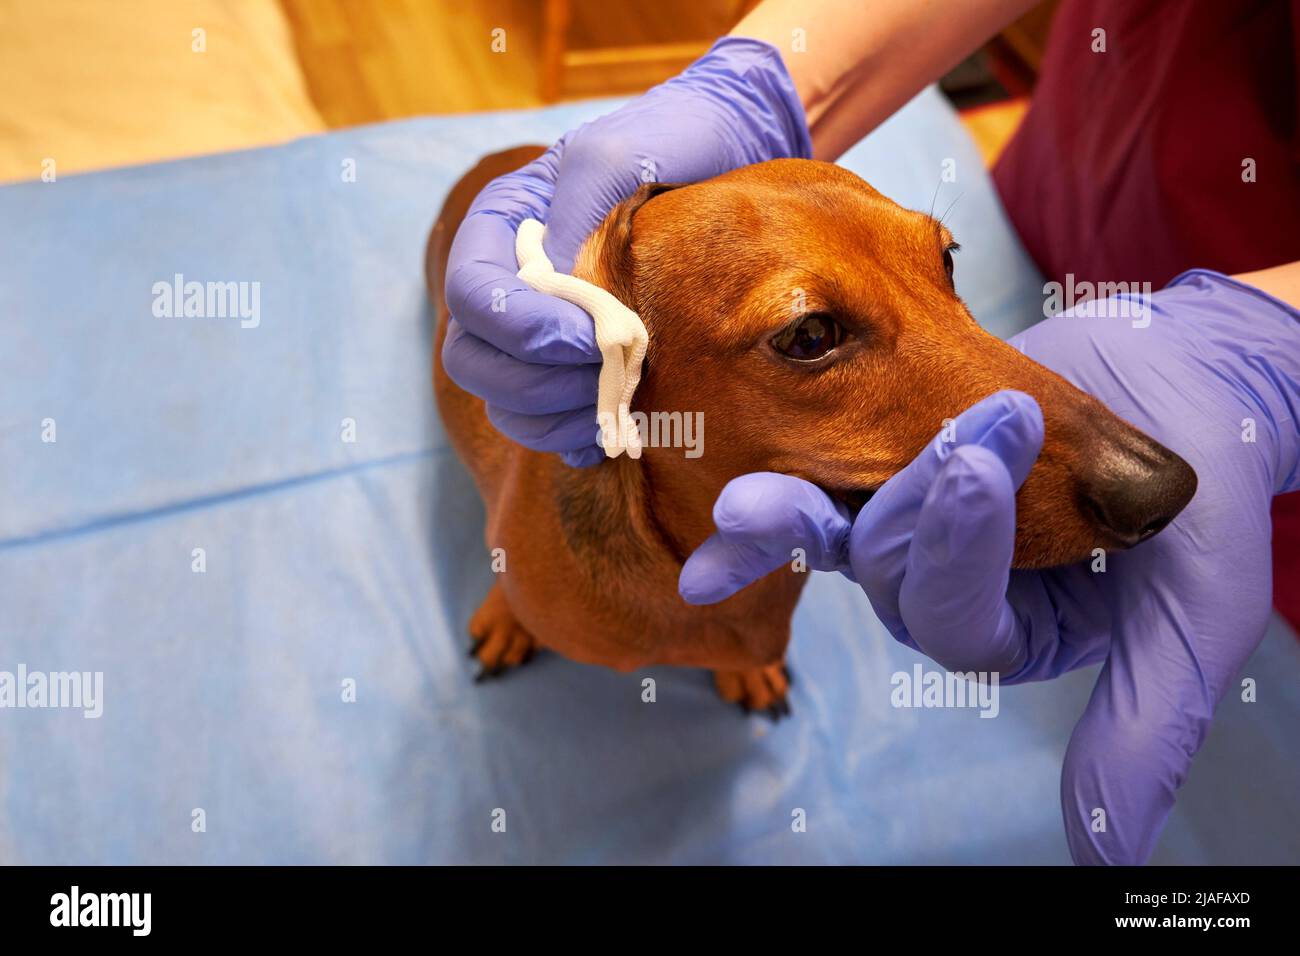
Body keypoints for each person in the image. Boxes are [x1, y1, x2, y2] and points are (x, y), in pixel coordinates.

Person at [440, 0, 1300, 863]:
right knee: (529, 585)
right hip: (1120, 121)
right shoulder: (577, 425)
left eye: (942, 261)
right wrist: (771, 78)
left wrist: (1273, 353)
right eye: (811, 336)